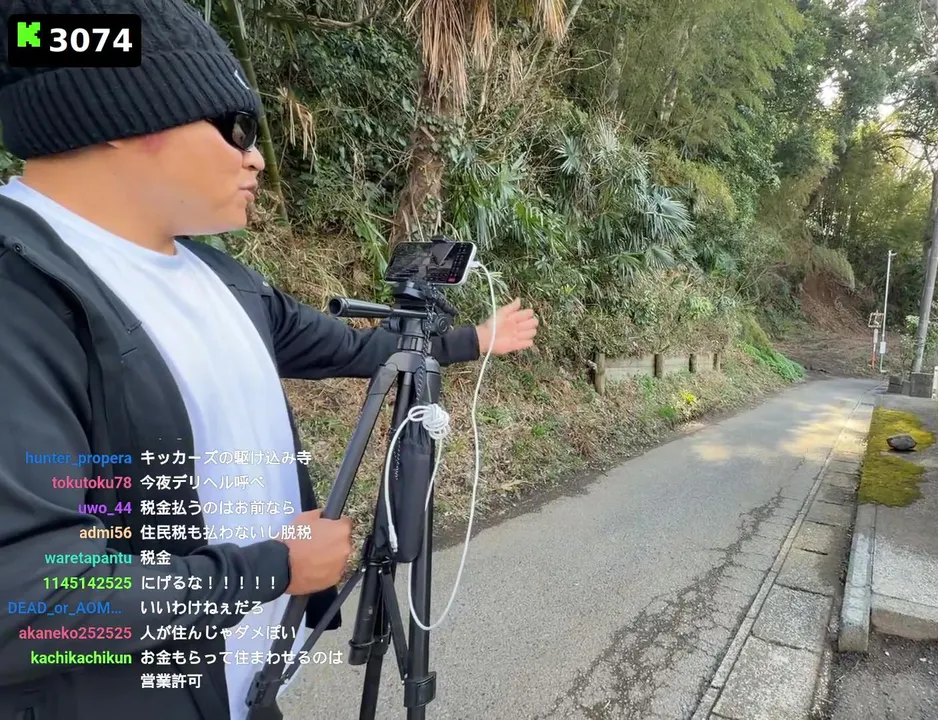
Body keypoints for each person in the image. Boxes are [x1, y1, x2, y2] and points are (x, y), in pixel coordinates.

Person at [0, 1, 538, 719]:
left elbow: (357, 347)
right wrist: (275, 568)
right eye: (237, 128)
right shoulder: (24, 296)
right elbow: (29, 609)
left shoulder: (220, 276)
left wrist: (473, 340)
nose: (255, 157)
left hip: (249, 689)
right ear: (126, 117)